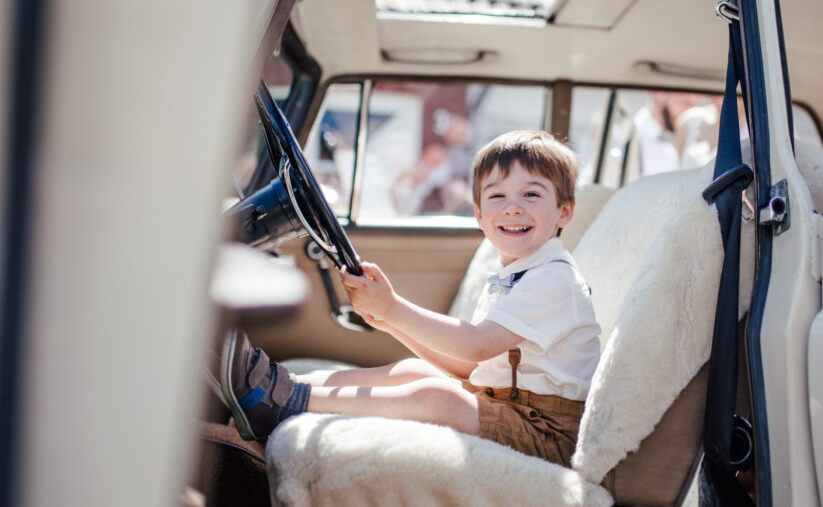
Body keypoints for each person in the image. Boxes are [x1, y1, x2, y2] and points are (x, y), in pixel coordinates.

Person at [220, 130, 601, 467]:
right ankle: (286, 388)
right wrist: (391, 323)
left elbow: (476, 346)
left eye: (531, 195)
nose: (513, 206)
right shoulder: (516, 275)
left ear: (563, 212)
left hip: (548, 434)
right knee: (410, 371)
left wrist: (393, 306)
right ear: (480, 215)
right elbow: (471, 370)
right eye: (497, 195)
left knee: (438, 397)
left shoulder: (553, 278)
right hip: (507, 404)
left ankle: (281, 402)